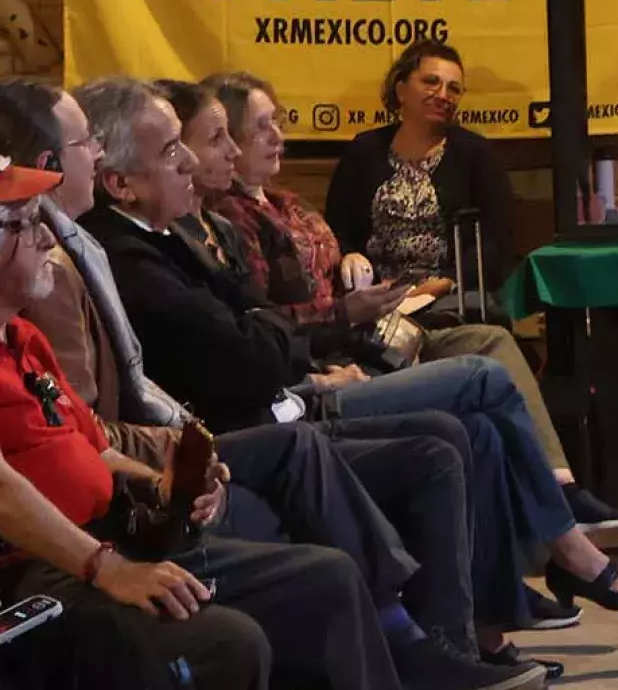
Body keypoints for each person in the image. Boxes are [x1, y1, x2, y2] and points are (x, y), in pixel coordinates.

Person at [0, 78, 550, 686]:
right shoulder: (105, 261)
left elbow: (98, 432)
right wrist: (112, 552)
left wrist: (170, 470)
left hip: (209, 439)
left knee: (449, 427)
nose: (44, 232)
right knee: (462, 390)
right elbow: (236, 353)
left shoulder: (47, 315)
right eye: (22, 223)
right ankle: (526, 566)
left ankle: (469, 629)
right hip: (88, 536)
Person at [71, 79, 618, 631]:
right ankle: (556, 542)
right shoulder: (171, 240)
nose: (200, 160)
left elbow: (262, 320)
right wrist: (333, 337)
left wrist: (334, 317)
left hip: (334, 355)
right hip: (297, 389)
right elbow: (246, 345)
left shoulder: (214, 225)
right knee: (477, 381)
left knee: (480, 386)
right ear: (117, 180)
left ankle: (484, 621)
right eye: (193, 143)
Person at [0, 155, 413, 690]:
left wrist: (162, 480)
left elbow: (93, 443)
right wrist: (105, 568)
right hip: (39, 568)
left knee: (326, 577)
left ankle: (412, 648)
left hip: (112, 534)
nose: (43, 238)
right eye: (24, 222)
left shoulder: (23, 339)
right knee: (228, 642)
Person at [192, 73, 618, 545]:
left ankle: (558, 492)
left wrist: (352, 260)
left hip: (397, 318)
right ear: (400, 90)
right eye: (261, 127)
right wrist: (347, 314)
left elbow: (491, 241)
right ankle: (561, 535)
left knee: (491, 342)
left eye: (278, 123)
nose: (278, 137)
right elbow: (268, 320)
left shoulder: (287, 202)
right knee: (480, 386)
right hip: (346, 351)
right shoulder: (233, 219)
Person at [324, 40, 512, 306]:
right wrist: (349, 255)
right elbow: (335, 229)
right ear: (401, 90)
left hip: (450, 294)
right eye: (431, 82)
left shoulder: (477, 154)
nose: (443, 95)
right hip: (374, 295)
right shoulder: (364, 150)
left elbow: (496, 242)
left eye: (454, 89)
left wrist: (447, 282)